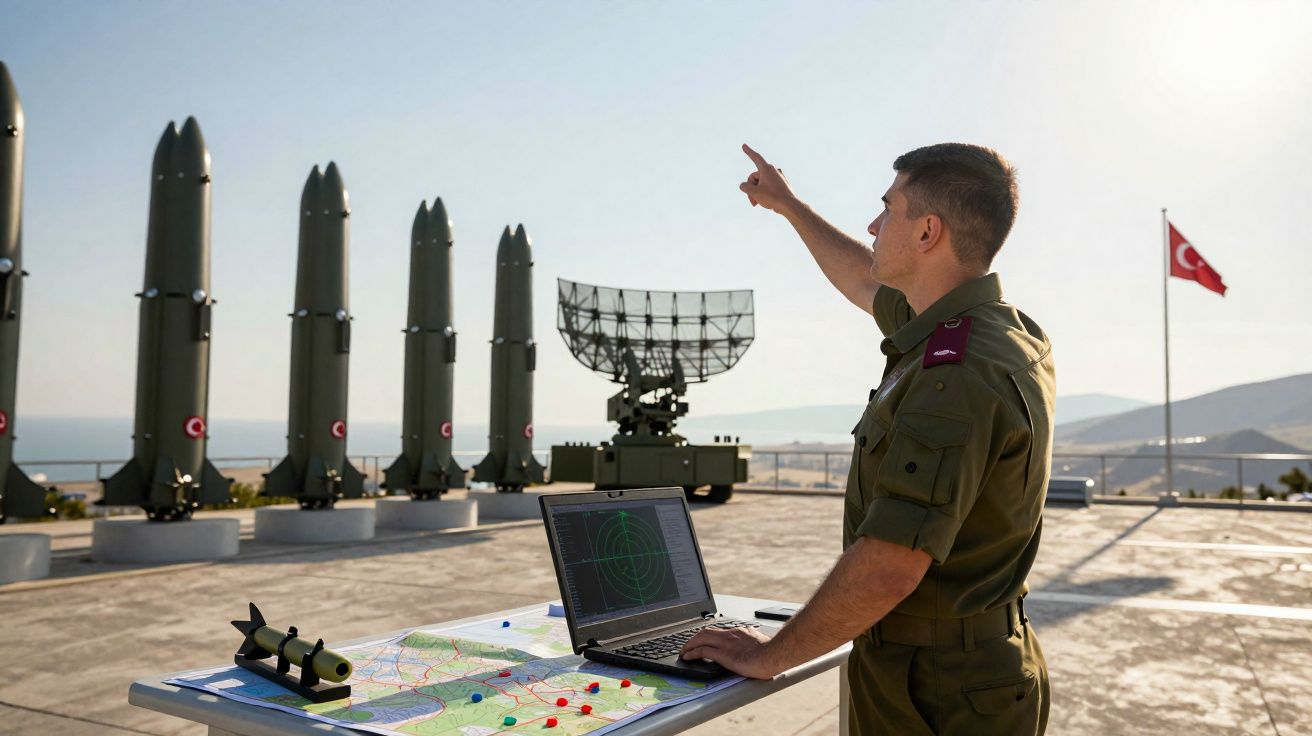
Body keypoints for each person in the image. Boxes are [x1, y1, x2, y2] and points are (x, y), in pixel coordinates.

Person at [680, 143, 1054, 735]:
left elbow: (888, 566)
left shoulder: (954, 374)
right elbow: (859, 275)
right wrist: (789, 206)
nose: (873, 226)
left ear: (928, 231)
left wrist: (768, 654)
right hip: (957, 669)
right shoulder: (991, 330)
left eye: (888, 209)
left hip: (934, 692)